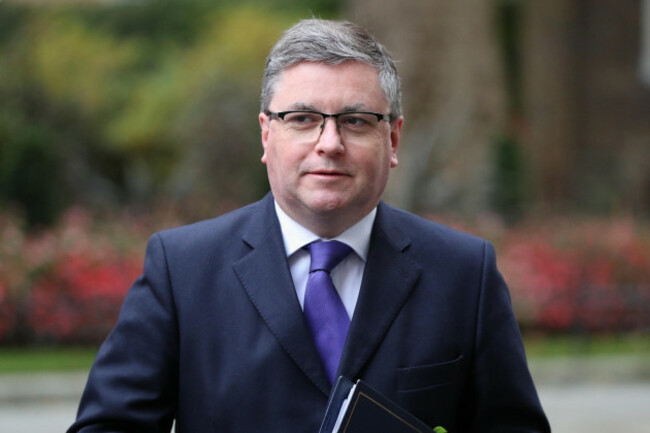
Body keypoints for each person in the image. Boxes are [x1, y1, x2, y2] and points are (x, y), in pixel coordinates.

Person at [68, 19, 550, 433]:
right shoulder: (182, 270)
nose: (330, 143)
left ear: (394, 138)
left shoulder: (465, 274)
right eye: (302, 118)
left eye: (356, 121)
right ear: (266, 133)